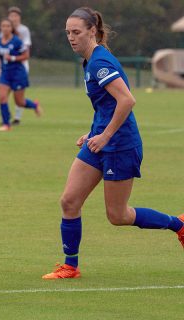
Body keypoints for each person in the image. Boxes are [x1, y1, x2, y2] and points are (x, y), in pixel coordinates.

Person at [42, 7, 184, 280]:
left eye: (76, 32)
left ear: (92, 31)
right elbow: (105, 107)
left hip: (120, 146)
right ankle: (70, 266)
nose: (71, 38)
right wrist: (93, 132)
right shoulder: (89, 61)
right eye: (67, 33)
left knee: (117, 215)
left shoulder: (99, 63)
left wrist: (105, 135)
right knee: (69, 201)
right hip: (99, 141)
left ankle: (178, 224)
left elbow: (127, 100)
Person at [0, 18, 40, 132]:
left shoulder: (17, 41)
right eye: (3, 26)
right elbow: (0, 55)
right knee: (2, 97)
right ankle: (6, 124)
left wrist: (12, 58)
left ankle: (34, 105)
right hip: (5, 74)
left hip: (18, 74)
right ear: (0, 28)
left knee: (19, 102)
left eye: (8, 26)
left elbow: (26, 55)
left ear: (11, 28)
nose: (5, 28)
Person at [7, 6, 42, 125]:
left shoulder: (24, 30)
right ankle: (5, 119)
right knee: (4, 93)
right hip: (7, 67)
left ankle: (17, 118)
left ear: (19, 18)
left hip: (21, 65)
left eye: (15, 16)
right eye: (11, 16)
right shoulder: (5, 29)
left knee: (18, 94)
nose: (13, 18)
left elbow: (26, 48)